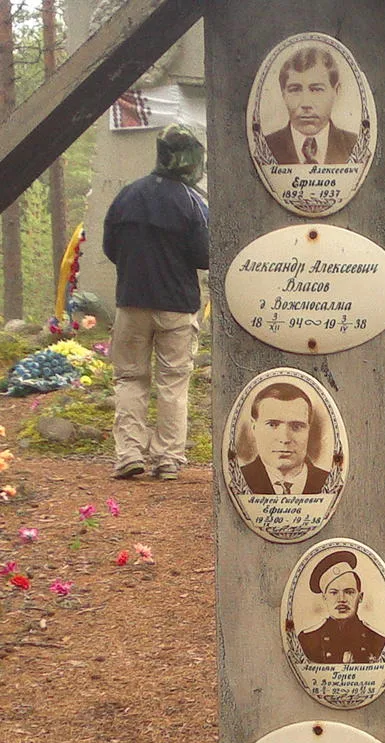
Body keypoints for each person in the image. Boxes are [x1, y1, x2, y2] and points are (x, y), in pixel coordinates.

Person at [103, 123, 209, 481]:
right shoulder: (193, 202)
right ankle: (167, 458)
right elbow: (204, 255)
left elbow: (110, 247)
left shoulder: (127, 196)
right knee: (173, 383)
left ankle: (128, 454)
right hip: (177, 306)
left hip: (131, 302)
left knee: (130, 378)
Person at [265, 47, 358, 165]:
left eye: (316, 90)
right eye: (295, 90)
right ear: (283, 94)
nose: (306, 104)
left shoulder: (354, 146)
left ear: (336, 92)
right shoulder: (266, 147)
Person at [298, 551, 385, 664]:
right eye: (334, 593)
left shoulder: (379, 640)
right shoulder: (307, 640)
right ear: (324, 598)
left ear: (360, 597)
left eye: (349, 592)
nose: (341, 599)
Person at [240, 382, 329, 494]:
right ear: (254, 427)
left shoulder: (328, 482)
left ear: (308, 429)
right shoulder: (240, 478)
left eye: (296, 426)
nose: (285, 439)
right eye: (272, 425)